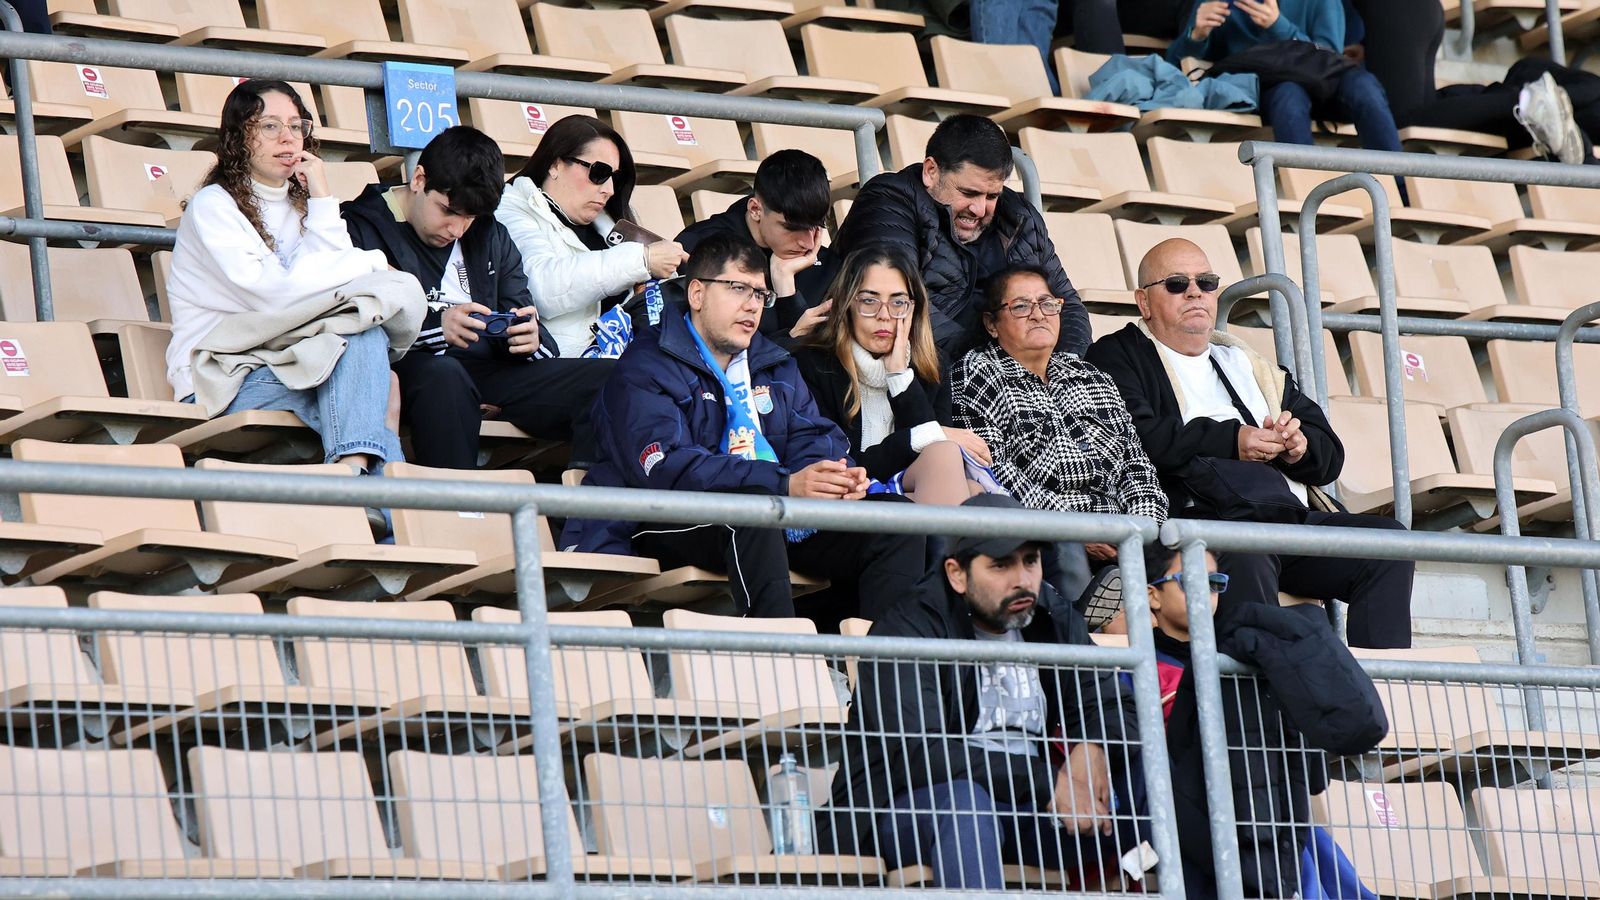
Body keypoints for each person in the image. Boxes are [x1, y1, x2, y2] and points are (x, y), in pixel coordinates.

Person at [560, 232, 927, 621]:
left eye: (759, 295)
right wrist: (786, 484)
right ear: (697, 294)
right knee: (753, 510)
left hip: (773, 513)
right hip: (664, 518)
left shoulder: (772, 361)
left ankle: (886, 674)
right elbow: (668, 469)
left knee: (896, 522)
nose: (752, 306)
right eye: (738, 289)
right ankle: (781, 668)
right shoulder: (646, 365)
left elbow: (813, 435)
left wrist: (829, 477)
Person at [1084, 238, 1414, 648]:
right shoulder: (1117, 354)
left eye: (1206, 282)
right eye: (1175, 283)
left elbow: (1330, 457)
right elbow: (1135, 437)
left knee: (1390, 545)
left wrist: (1298, 446)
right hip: (1202, 524)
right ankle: (1255, 705)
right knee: (1247, 557)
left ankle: (1380, 693)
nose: (1194, 292)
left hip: (1283, 517)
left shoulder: (1246, 362)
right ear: (1144, 301)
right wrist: (1233, 440)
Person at [818, 493, 1144, 890]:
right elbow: (920, 753)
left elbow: (1115, 699)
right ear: (957, 574)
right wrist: (1047, 781)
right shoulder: (912, 625)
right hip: (903, 810)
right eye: (1001, 565)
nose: (1022, 579)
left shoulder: (1046, 613)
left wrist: (1095, 746)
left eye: (1031, 561)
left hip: (1023, 808)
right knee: (965, 803)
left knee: (1151, 781)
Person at [165, 79, 412, 475]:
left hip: (288, 357)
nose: (288, 138)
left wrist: (321, 198)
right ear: (238, 136)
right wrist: (370, 262)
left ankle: (355, 480)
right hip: (220, 376)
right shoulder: (214, 206)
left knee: (368, 354)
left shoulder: (301, 204)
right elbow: (277, 296)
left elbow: (334, 288)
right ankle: (381, 507)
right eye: (270, 126)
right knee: (374, 392)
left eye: (297, 126)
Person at [343, 125, 612, 469]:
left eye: (470, 217)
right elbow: (355, 319)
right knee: (445, 375)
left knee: (610, 377)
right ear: (419, 180)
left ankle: (588, 512)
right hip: (408, 370)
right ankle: (457, 513)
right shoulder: (360, 226)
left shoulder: (490, 234)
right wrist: (438, 327)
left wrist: (529, 339)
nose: (457, 229)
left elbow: (525, 314)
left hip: (491, 371)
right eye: (448, 211)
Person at [1140, 541, 1386, 899]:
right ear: (1153, 596)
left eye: (1214, 583)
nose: (1205, 592)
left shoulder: (1245, 661)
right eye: (1189, 580)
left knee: (1305, 838)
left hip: (1264, 814)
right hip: (1190, 818)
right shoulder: (1137, 669)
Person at [951, 265, 1168, 599]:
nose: (1039, 315)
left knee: (1193, 556)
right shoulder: (976, 374)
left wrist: (1139, 532)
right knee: (1065, 550)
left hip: (1124, 536)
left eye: (1047, 304)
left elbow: (1137, 467)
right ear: (992, 324)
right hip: (1047, 533)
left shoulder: (1093, 377)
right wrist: (1077, 529)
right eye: (1021, 307)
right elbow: (993, 470)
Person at [832, 114, 1090, 362]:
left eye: (992, 196)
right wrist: (991, 367)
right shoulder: (888, 202)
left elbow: (1067, 305)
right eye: (968, 192)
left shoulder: (1020, 216)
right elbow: (897, 307)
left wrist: (1062, 366)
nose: (979, 209)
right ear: (931, 171)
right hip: (926, 373)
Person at [792, 246, 989, 507]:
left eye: (898, 303)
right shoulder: (813, 364)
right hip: (845, 503)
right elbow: (841, 469)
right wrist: (927, 434)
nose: (884, 316)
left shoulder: (932, 366)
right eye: (869, 301)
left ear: (913, 309)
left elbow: (935, 459)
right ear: (847, 304)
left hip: (915, 496)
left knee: (964, 477)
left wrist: (900, 378)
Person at [496, 114, 688, 358]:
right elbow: (540, 287)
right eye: (599, 172)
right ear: (555, 165)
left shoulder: (611, 224)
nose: (609, 189)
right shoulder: (510, 208)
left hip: (628, 361)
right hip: (559, 368)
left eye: (614, 177)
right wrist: (642, 260)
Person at [1166, 0, 1403, 156]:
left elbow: (1329, 54)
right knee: (1289, 94)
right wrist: (1196, 34)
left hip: (1325, 81)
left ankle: (1401, 192)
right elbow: (1174, 65)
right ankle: (1307, 201)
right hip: (1268, 86)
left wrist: (1278, 25)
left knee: (1364, 85)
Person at [674, 149, 834, 343]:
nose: (808, 243)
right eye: (792, 228)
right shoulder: (701, 248)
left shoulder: (826, 263)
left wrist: (785, 286)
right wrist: (790, 337)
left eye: (816, 227)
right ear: (755, 210)